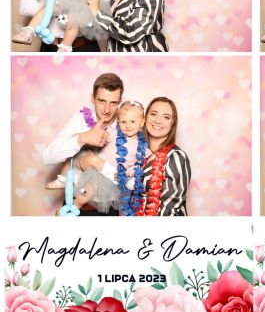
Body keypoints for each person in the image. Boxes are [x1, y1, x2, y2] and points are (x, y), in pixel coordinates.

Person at [41, 73, 124, 217]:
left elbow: (130, 177)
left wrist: (96, 163)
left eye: (113, 103)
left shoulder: (127, 125)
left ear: (120, 102)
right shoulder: (79, 121)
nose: (107, 109)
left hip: (109, 208)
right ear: (92, 98)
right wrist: (83, 138)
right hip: (75, 207)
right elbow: (47, 157)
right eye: (102, 101)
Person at [53, 101, 148, 217]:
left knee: (96, 196)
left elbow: (140, 165)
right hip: (97, 171)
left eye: (132, 122)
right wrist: (89, 137)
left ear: (142, 122)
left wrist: (129, 172)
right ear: (118, 122)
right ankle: (70, 208)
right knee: (85, 191)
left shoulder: (143, 147)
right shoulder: (114, 133)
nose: (128, 126)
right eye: (123, 122)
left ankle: (72, 208)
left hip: (112, 178)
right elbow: (99, 139)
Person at [136, 97, 191, 215]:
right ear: (145, 118)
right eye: (153, 114)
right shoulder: (138, 153)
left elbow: (171, 206)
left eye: (166, 117)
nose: (158, 120)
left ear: (172, 124)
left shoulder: (176, 157)